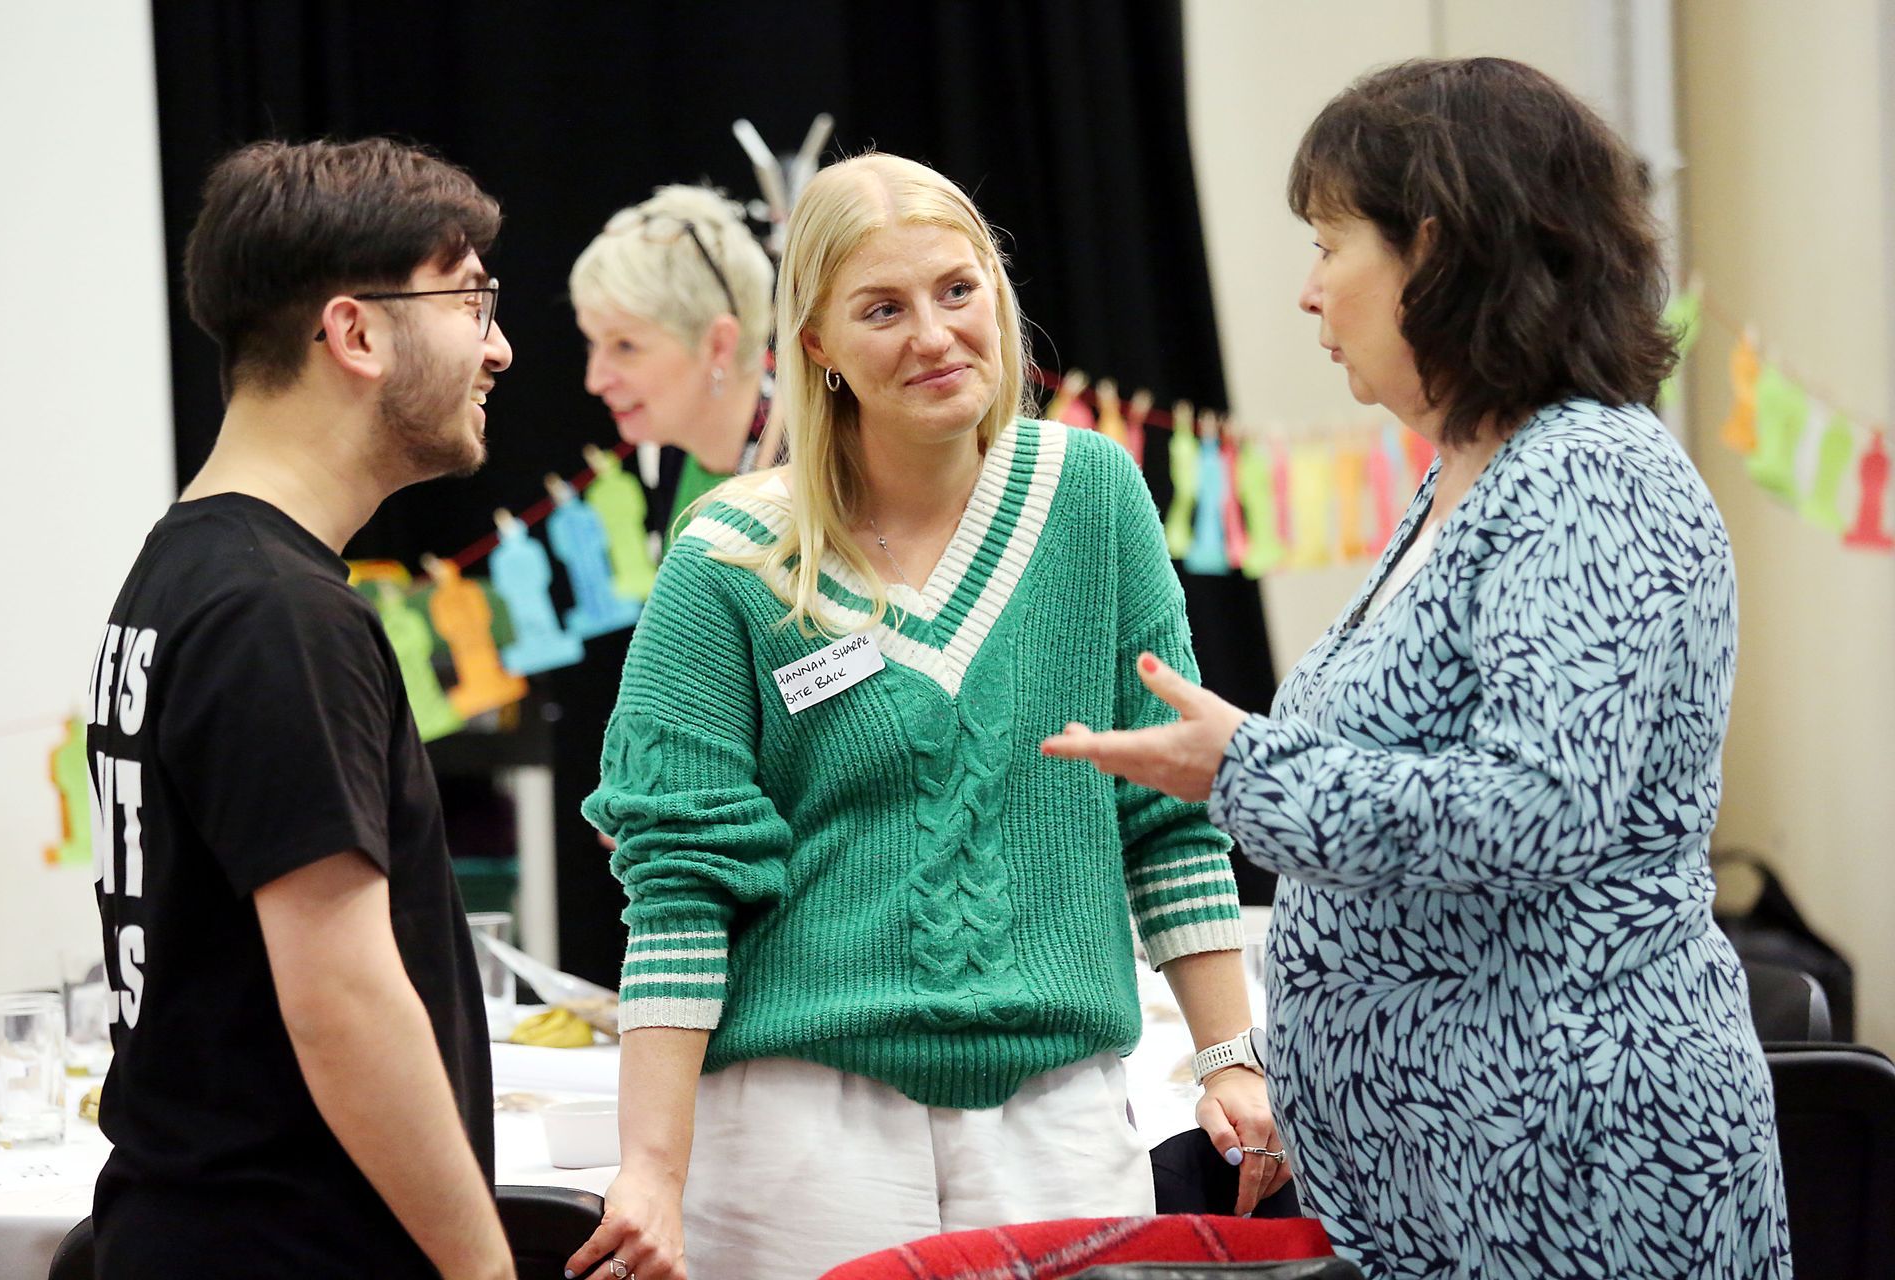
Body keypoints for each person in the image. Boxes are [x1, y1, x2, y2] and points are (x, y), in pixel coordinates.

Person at [1043, 58, 1791, 1280]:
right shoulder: (1470, 472)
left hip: (1572, 1164)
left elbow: (1541, 800)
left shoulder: (1589, 473)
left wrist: (1242, 768)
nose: (1308, 290)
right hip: (1457, 1167)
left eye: (1330, 243)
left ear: (1433, 248)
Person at [568, 152, 1282, 1280]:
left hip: (1060, 1115)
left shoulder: (1094, 498)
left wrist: (1228, 1055)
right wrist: (650, 1167)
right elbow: (680, 885)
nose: (935, 335)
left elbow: (1168, 812)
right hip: (799, 1130)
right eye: (883, 309)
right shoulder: (727, 559)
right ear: (817, 344)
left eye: (958, 290)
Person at [86, 137, 517, 1278]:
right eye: (470, 301)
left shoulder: (186, 571)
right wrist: (484, 1269)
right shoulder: (277, 612)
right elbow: (344, 1003)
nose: (498, 347)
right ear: (356, 333)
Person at [570, 184, 780, 537]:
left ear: (718, 344)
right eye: (592, 343)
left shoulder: (819, 472)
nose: (595, 380)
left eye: (625, 346)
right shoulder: (674, 449)